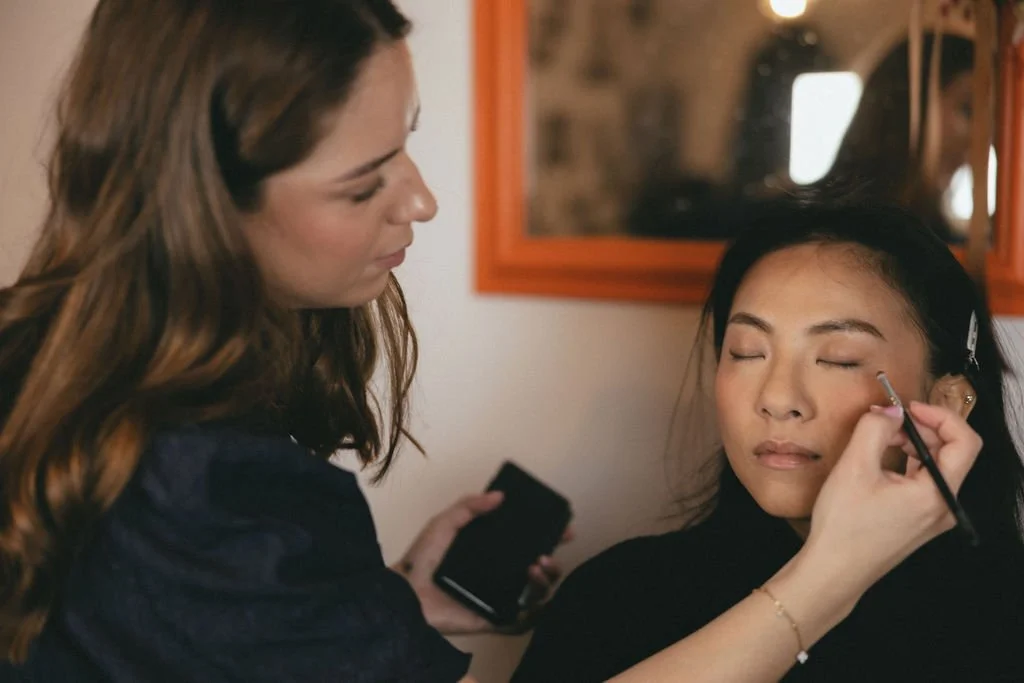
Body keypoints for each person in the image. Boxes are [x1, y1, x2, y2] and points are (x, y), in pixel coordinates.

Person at [0, 2, 988, 681]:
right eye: (364, 181)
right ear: (206, 207)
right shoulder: (204, 480)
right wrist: (826, 577)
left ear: (949, 392)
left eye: (837, 354)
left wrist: (375, 607)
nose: (421, 199)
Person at [512, 200, 1024, 682]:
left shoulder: (1004, 617)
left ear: (948, 400)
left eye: (839, 359)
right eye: (747, 351)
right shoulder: (616, 597)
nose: (777, 398)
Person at [815, 33, 976, 243]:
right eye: (968, 110)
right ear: (908, 106)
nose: (981, 138)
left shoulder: (945, 240)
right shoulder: (815, 227)